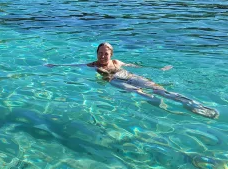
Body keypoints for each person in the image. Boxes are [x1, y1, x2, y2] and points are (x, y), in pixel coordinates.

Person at [45, 42, 219, 119]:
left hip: (128, 75)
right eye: (100, 53)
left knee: (159, 89)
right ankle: (159, 105)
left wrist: (159, 69)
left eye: (106, 53)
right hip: (114, 80)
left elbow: (135, 66)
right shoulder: (92, 65)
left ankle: (194, 105)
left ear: (111, 54)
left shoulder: (117, 62)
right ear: (96, 54)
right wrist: (55, 65)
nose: (103, 55)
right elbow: (75, 65)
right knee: (137, 91)